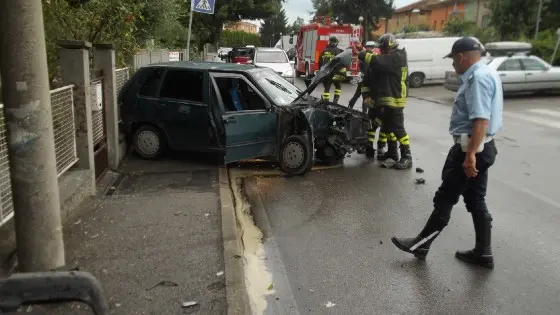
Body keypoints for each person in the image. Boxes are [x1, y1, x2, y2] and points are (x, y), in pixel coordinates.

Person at [391, 37, 503, 269]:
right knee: (475, 199)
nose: (453, 65)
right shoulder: (488, 73)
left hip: (470, 148)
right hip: (483, 147)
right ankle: (484, 252)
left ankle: (420, 245)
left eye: (453, 60)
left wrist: (470, 154)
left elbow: (481, 119)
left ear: (461, 57)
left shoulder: (477, 78)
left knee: (446, 197)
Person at [360, 33, 411, 168]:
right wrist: (368, 97)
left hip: (395, 99)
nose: (380, 51)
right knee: (387, 127)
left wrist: (362, 53)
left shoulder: (397, 57)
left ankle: (407, 157)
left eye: (382, 48)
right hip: (388, 100)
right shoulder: (389, 58)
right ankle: (392, 153)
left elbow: (378, 61)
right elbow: (368, 80)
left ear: (388, 46)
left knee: (398, 129)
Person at [318, 36, 345, 104]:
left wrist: (321, 72)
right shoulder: (338, 51)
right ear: (336, 43)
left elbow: (320, 63)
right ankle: (335, 100)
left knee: (327, 88)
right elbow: (341, 62)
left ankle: (326, 102)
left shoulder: (324, 51)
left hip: (326, 73)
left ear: (329, 42)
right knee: (338, 86)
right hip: (336, 73)